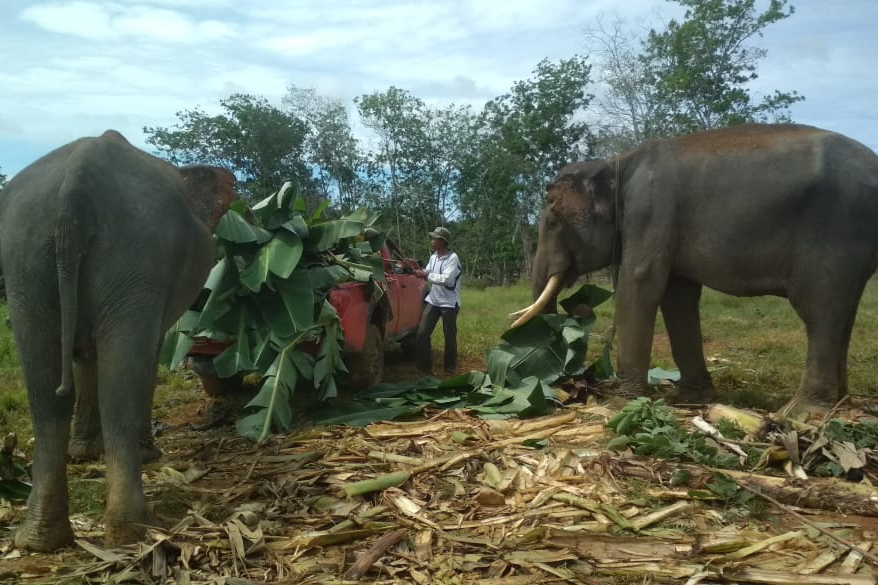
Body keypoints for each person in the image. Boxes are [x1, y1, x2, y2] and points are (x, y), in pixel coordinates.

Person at [413, 226, 462, 375]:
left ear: (442, 242)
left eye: (434, 238)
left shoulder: (453, 258)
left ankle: (449, 367)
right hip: (434, 300)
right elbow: (428, 271)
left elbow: (446, 279)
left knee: (449, 336)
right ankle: (424, 367)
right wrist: (417, 267)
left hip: (449, 303)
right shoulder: (434, 256)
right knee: (422, 332)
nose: (432, 241)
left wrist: (425, 275)